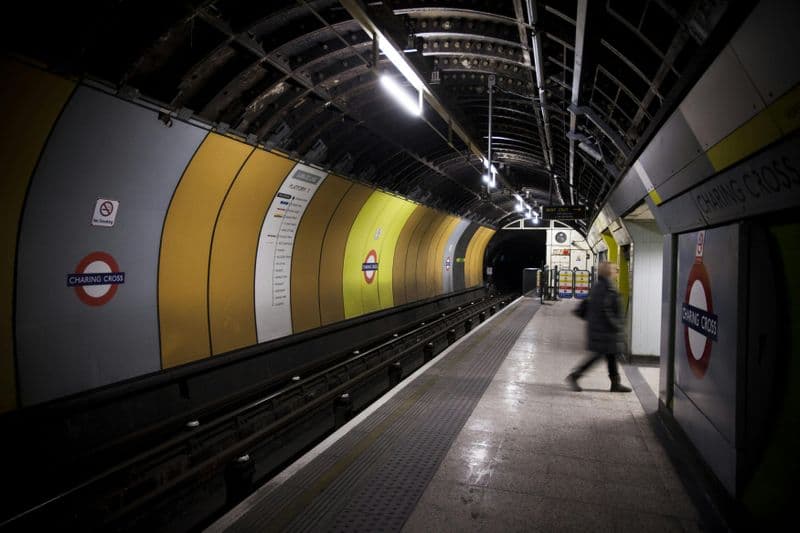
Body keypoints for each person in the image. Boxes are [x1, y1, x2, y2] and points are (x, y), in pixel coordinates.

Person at [566, 261, 631, 393]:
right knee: (598, 356)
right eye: (615, 269)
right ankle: (575, 376)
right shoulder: (607, 289)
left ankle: (615, 384)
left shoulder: (599, 286)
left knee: (611, 355)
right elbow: (606, 311)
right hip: (605, 331)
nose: (617, 272)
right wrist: (617, 325)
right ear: (609, 272)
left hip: (600, 329)